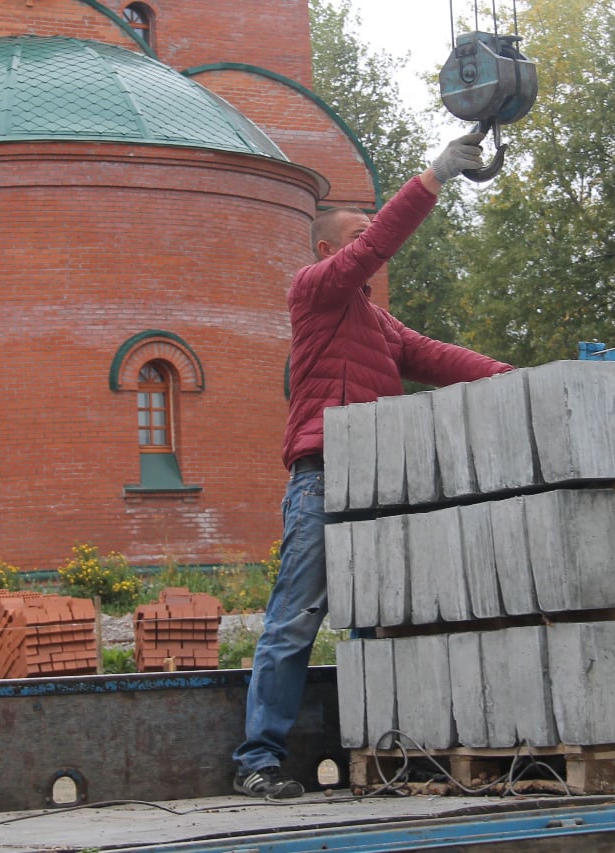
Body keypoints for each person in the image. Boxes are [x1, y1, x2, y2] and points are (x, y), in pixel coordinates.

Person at [232, 132, 513, 798]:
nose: (371, 243)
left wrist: (528, 377)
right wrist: (435, 175)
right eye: (358, 235)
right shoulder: (313, 293)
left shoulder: (378, 325)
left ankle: (380, 753)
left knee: (380, 618)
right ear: (332, 251)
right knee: (296, 617)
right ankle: (258, 758)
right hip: (324, 476)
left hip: (381, 484)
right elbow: (380, 241)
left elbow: (446, 361)